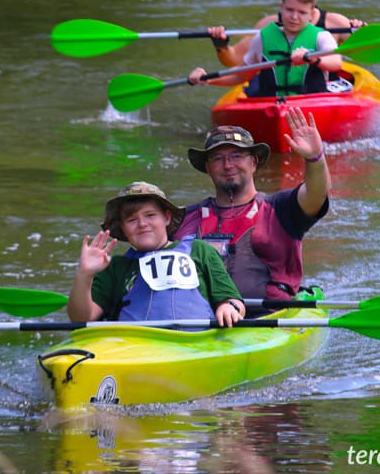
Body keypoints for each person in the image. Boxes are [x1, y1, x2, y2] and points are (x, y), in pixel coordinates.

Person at [173, 110, 329, 313]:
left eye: (237, 156)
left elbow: (317, 194)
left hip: (269, 320)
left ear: (253, 162)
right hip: (200, 321)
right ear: (208, 167)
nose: (228, 165)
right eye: (218, 158)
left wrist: (315, 158)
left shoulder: (280, 208)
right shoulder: (182, 219)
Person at [67, 181, 246, 327]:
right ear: (122, 227)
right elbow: (82, 319)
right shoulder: (115, 267)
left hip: (198, 343)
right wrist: (84, 274)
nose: (142, 224)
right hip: (135, 347)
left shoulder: (199, 250)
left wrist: (228, 307)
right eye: (132, 220)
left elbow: (234, 301)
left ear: (166, 218)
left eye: (150, 215)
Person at [189, 0, 342, 97]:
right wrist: (208, 79)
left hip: (312, 103)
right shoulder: (262, 38)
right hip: (272, 105)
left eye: (302, 12)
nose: (294, 17)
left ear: (312, 14)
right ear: (281, 7)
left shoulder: (322, 37)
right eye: (289, 10)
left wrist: (313, 58)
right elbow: (242, 75)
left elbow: (336, 63)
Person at [209, 0, 366, 69]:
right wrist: (221, 46)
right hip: (278, 93)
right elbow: (234, 60)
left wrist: (362, 35)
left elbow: (365, 54)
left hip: (323, 90)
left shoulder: (336, 22)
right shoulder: (267, 26)